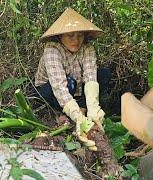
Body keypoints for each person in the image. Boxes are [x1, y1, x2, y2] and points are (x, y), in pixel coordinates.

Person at [35, 8, 111, 151]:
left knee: (103, 74)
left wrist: (94, 108)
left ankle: (83, 108)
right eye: (70, 35)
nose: (76, 40)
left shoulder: (87, 48)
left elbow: (90, 77)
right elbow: (59, 87)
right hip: (50, 90)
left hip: (76, 87)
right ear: (60, 36)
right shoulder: (51, 49)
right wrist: (78, 117)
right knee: (69, 83)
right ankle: (62, 113)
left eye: (80, 35)